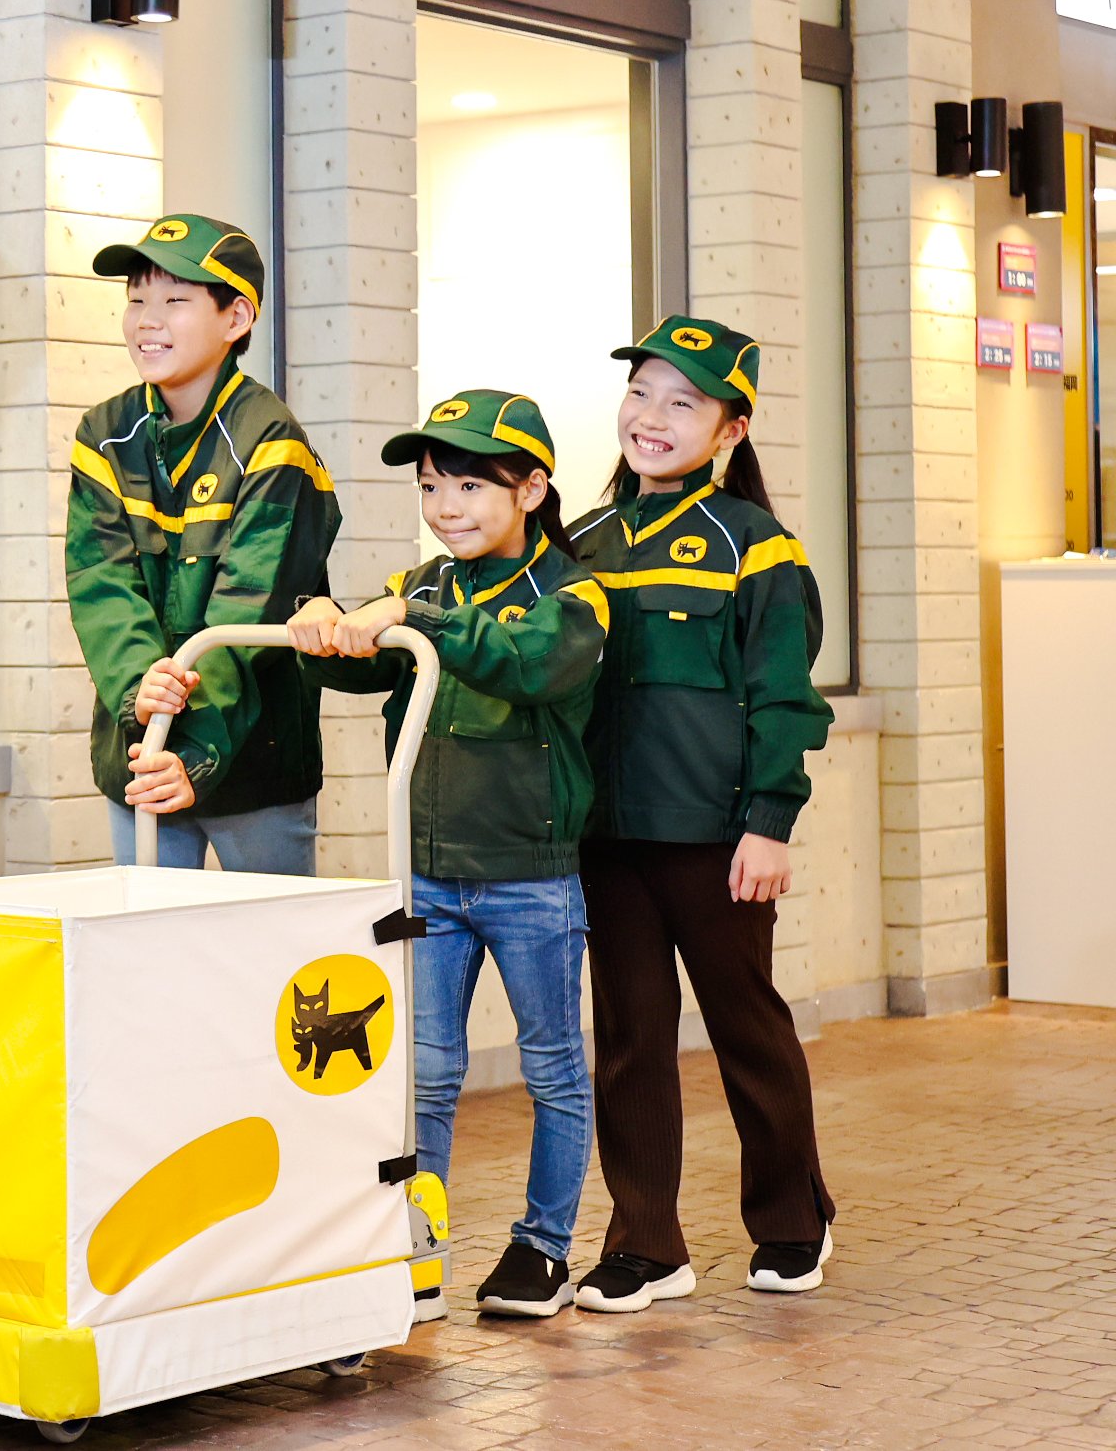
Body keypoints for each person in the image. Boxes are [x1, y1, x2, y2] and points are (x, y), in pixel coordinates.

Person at [289, 390, 607, 1319]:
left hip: (533, 883)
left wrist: (404, 617)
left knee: (551, 1067)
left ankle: (542, 1250)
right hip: (426, 874)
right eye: (433, 486)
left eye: (472, 484)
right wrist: (323, 625)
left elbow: (525, 664)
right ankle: (413, 1246)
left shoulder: (575, 598)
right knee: (423, 1074)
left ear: (535, 489)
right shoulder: (425, 585)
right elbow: (358, 662)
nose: (448, 505)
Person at [566, 315, 838, 1313]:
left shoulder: (756, 547)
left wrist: (770, 821)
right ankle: (647, 1243)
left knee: (747, 1029)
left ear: (729, 430)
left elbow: (784, 697)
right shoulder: (579, 542)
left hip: (719, 843)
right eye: (641, 393)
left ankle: (791, 1223)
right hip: (608, 842)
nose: (652, 416)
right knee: (630, 1040)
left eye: (684, 401)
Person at [66, 214, 341, 873]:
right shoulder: (104, 432)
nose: (146, 320)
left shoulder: (272, 439)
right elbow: (102, 588)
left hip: (253, 760)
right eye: (135, 299)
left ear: (236, 317)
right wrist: (145, 699)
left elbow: (250, 611)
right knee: (153, 962)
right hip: (143, 755)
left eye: (175, 300)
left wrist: (193, 753)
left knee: (272, 965)